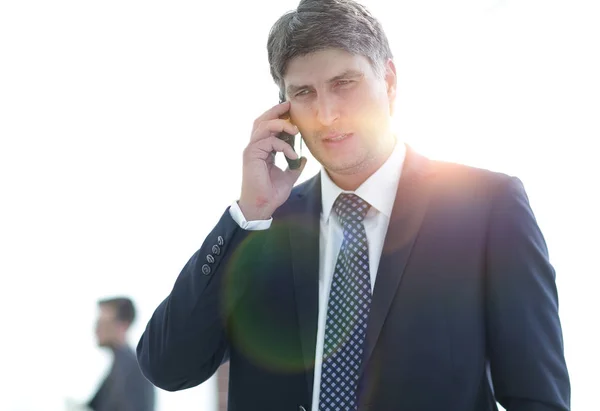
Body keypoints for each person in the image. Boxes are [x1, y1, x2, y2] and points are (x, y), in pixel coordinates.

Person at [136, 0, 570, 409]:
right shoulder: (261, 228)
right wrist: (248, 217)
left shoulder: (487, 209)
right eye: (304, 92)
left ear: (389, 81)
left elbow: (538, 398)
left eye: (344, 84)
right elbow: (168, 367)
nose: (326, 114)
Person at [87, 297, 155, 411]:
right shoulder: (119, 366)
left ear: (123, 325)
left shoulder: (132, 368)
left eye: (102, 322)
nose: (96, 329)